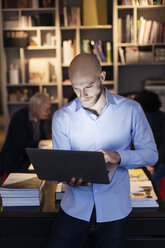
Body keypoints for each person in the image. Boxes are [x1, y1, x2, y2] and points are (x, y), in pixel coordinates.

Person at [48, 53, 158, 248]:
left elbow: (151, 154)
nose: (83, 95)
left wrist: (118, 156)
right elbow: (62, 165)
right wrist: (68, 178)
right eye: (76, 88)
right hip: (75, 208)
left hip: (115, 211)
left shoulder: (131, 110)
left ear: (102, 77)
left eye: (89, 86)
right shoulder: (61, 117)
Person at [1, 92, 51, 175]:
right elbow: (23, 143)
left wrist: (46, 139)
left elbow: (39, 136)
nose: (49, 112)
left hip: (28, 157)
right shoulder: (19, 118)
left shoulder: (40, 117)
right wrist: (42, 143)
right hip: (16, 160)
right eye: (46, 109)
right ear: (35, 107)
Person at [134, 89, 165, 189]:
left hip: (159, 160)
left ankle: (153, 201)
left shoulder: (162, 119)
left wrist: (153, 165)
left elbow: (163, 146)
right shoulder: (137, 118)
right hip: (142, 159)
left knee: (153, 174)